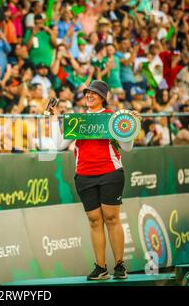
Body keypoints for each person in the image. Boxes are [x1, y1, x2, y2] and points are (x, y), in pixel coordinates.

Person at [48, 80, 140, 280]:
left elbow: (127, 147)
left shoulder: (113, 118)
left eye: (94, 93)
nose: (89, 96)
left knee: (112, 218)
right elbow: (58, 144)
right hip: (84, 175)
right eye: (87, 93)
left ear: (103, 98)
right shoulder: (78, 120)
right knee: (94, 220)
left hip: (110, 173)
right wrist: (54, 119)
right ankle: (101, 267)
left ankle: (119, 265)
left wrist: (129, 127)